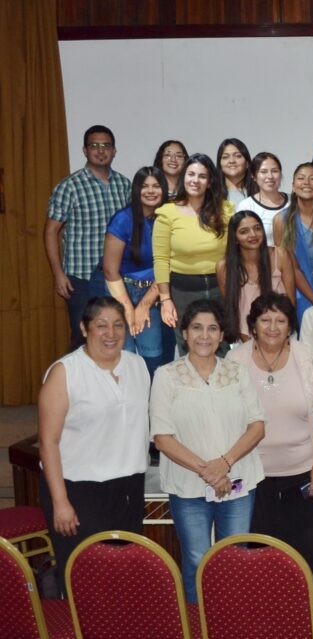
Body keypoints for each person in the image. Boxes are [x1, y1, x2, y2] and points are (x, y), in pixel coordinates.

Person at [150, 299, 265, 604]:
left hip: (237, 483)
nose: (205, 335)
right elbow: (162, 437)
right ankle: (197, 626)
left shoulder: (237, 372)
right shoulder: (166, 375)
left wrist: (224, 464)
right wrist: (208, 471)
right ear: (184, 333)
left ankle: (231, 624)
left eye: (212, 328)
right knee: (197, 560)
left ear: (222, 334)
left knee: (235, 562)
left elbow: (257, 426)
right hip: (189, 487)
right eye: (197, 328)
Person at [226, 293, 313, 606]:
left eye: (280, 320)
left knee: (311, 558)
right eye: (265, 319)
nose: (272, 326)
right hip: (252, 480)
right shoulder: (236, 360)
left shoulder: (305, 356)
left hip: (303, 476)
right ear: (253, 324)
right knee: (260, 562)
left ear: (290, 326)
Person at [37, 296, 150, 595]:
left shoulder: (138, 366)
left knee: (124, 578)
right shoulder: (65, 372)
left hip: (128, 487)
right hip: (77, 489)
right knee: (85, 580)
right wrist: (61, 503)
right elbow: (48, 442)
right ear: (84, 328)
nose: (110, 333)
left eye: (117, 325)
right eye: (101, 326)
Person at [45, 125, 132, 351]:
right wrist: (58, 274)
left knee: (116, 339)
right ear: (85, 150)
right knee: (83, 339)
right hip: (80, 278)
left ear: (114, 151)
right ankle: (78, 387)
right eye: (94, 145)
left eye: (106, 146)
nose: (100, 150)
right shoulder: (69, 186)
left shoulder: (124, 185)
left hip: (115, 278)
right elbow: (51, 230)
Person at [153, 153, 233, 353]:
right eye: (191, 174)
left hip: (220, 290)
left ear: (210, 181)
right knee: (189, 348)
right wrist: (165, 300)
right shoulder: (167, 213)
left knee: (220, 347)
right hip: (182, 294)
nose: (195, 180)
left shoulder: (226, 211)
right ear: (183, 177)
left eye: (202, 176)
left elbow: (235, 253)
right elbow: (161, 260)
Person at [102, 166, 174, 376]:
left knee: (152, 356)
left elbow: (168, 266)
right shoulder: (122, 219)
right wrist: (127, 308)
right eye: (145, 186)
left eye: (156, 186)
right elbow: (109, 270)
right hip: (119, 291)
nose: (151, 191)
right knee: (123, 355)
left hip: (154, 291)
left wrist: (144, 305)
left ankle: (151, 407)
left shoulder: (169, 218)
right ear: (136, 190)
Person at [216, 210, 295, 343]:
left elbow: (291, 303)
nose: (252, 235)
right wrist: (248, 343)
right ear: (235, 238)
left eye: (257, 228)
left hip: (281, 335)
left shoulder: (280, 255)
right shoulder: (224, 267)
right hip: (245, 338)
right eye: (244, 231)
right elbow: (232, 308)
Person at [274, 163, 313, 326]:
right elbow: (287, 266)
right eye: (301, 178)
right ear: (293, 187)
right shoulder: (281, 220)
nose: (306, 183)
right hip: (299, 291)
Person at [235, 151, 289, 246]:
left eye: (274, 171)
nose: (270, 176)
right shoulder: (246, 206)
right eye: (263, 172)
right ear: (254, 176)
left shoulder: (294, 201)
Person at [217, 137, 254, 206]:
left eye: (238, 156)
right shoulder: (212, 194)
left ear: (247, 163)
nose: (231, 161)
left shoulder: (258, 193)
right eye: (225, 157)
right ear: (220, 163)